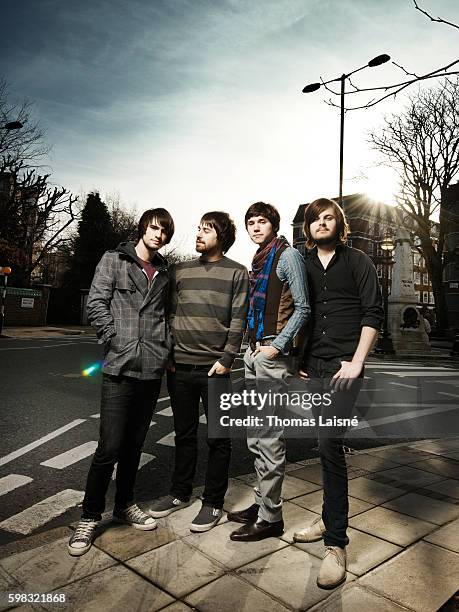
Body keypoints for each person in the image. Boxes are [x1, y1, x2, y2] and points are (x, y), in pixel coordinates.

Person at [68, 208, 175, 556]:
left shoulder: (163, 272)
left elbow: (166, 316)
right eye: (154, 228)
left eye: (164, 231)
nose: (158, 235)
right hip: (119, 365)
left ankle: (124, 505)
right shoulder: (114, 259)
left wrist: (164, 347)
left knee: (134, 447)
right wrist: (114, 337)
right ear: (143, 228)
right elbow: (97, 302)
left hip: (150, 369)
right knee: (109, 448)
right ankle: (89, 516)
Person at [293, 198, 383, 589]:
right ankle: (329, 519)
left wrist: (358, 360)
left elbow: (373, 313)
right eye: (315, 220)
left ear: (339, 224)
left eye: (329, 218)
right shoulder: (304, 266)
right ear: (308, 229)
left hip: (346, 369)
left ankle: (335, 543)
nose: (321, 223)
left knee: (329, 442)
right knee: (323, 445)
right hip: (315, 366)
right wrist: (299, 356)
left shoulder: (357, 261)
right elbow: (298, 310)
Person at [149, 211, 249, 532]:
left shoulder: (237, 273)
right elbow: (167, 314)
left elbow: (238, 319)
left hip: (216, 369)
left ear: (221, 236)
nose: (199, 234)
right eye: (199, 228)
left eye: (206, 230)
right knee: (184, 435)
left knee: (219, 439)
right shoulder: (180, 270)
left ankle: (214, 502)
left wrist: (227, 359)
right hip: (179, 368)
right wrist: (167, 353)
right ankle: (180, 493)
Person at [228, 202, 310, 542]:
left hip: (272, 355)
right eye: (251, 222)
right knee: (256, 436)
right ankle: (262, 503)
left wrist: (278, 346)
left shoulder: (288, 256)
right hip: (255, 352)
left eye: (262, 221)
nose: (255, 227)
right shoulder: (260, 259)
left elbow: (303, 307)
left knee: (269, 437)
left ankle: (271, 517)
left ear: (273, 225)